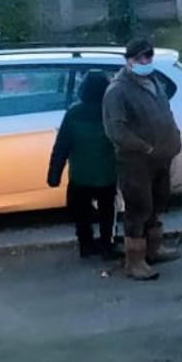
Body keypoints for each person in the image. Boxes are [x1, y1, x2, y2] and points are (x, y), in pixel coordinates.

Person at [102, 39, 182, 281]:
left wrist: (173, 139)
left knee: (157, 202)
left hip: (160, 156)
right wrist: (144, 147)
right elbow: (117, 130)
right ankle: (134, 261)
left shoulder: (153, 82)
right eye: (139, 59)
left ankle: (153, 248)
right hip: (135, 160)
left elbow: (165, 113)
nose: (145, 62)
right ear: (129, 61)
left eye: (148, 57)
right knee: (138, 208)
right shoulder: (118, 91)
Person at [47, 71, 119, 259]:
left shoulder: (73, 113)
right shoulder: (110, 112)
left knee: (81, 213)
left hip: (80, 174)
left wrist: (54, 175)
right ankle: (107, 245)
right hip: (107, 173)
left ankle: (85, 245)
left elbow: (61, 146)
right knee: (107, 212)